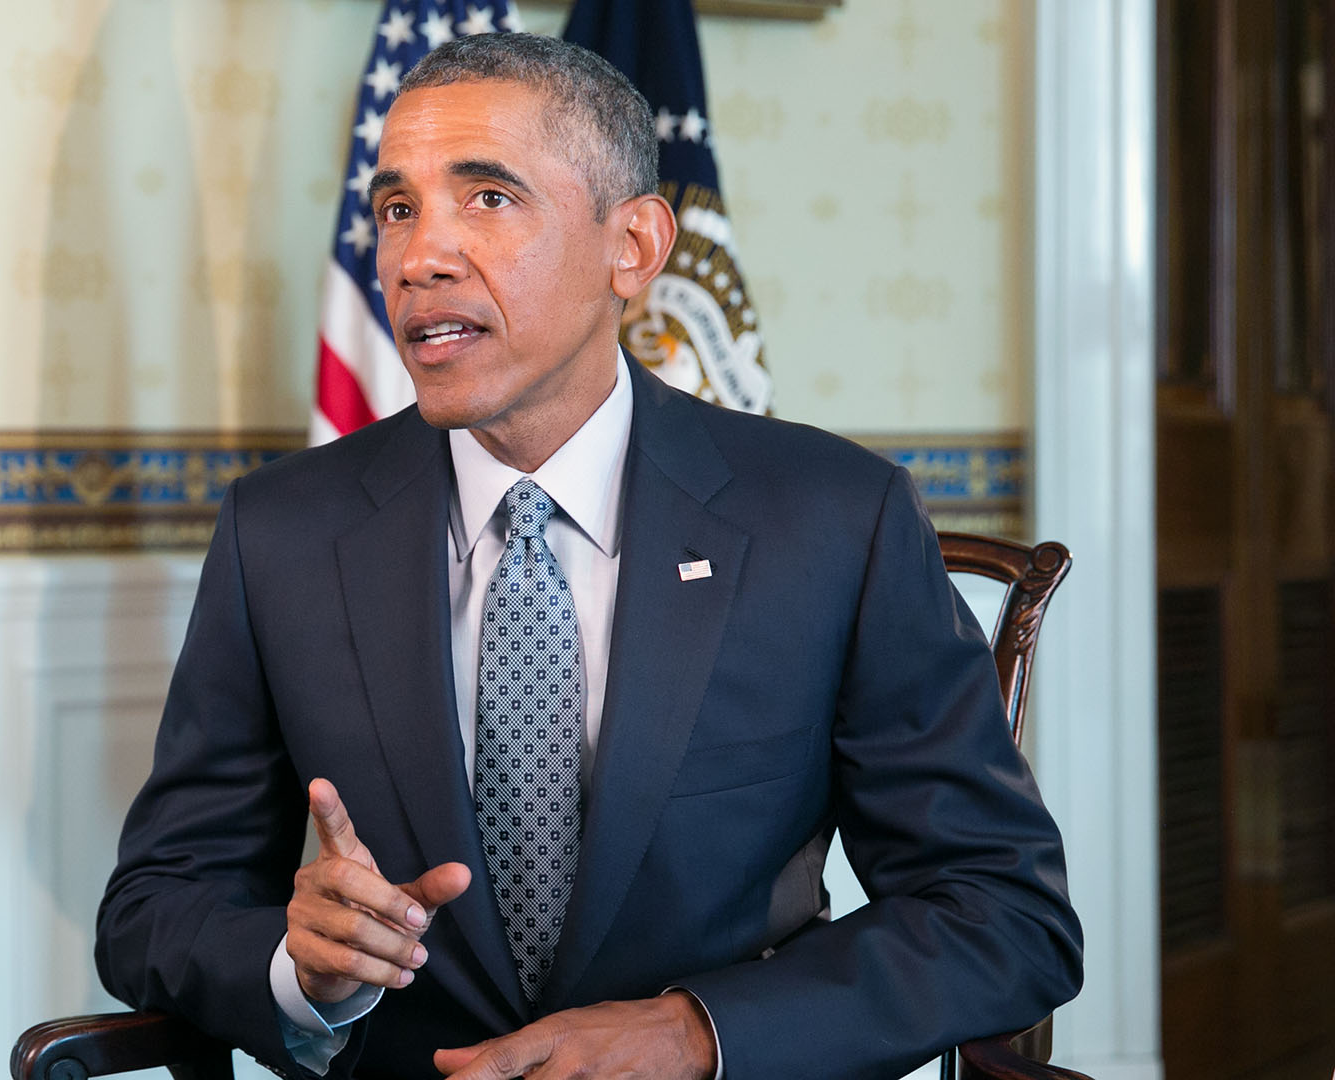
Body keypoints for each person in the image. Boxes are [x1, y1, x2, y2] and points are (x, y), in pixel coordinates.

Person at [95, 33, 1081, 1080]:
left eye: (486, 199)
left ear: (635, 248)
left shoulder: (833, 520)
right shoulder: (280, 532)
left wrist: (699, 1031)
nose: (419, 256)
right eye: (397, 209)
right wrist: (301, 968)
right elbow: (156, 906)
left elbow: (1001, 914)